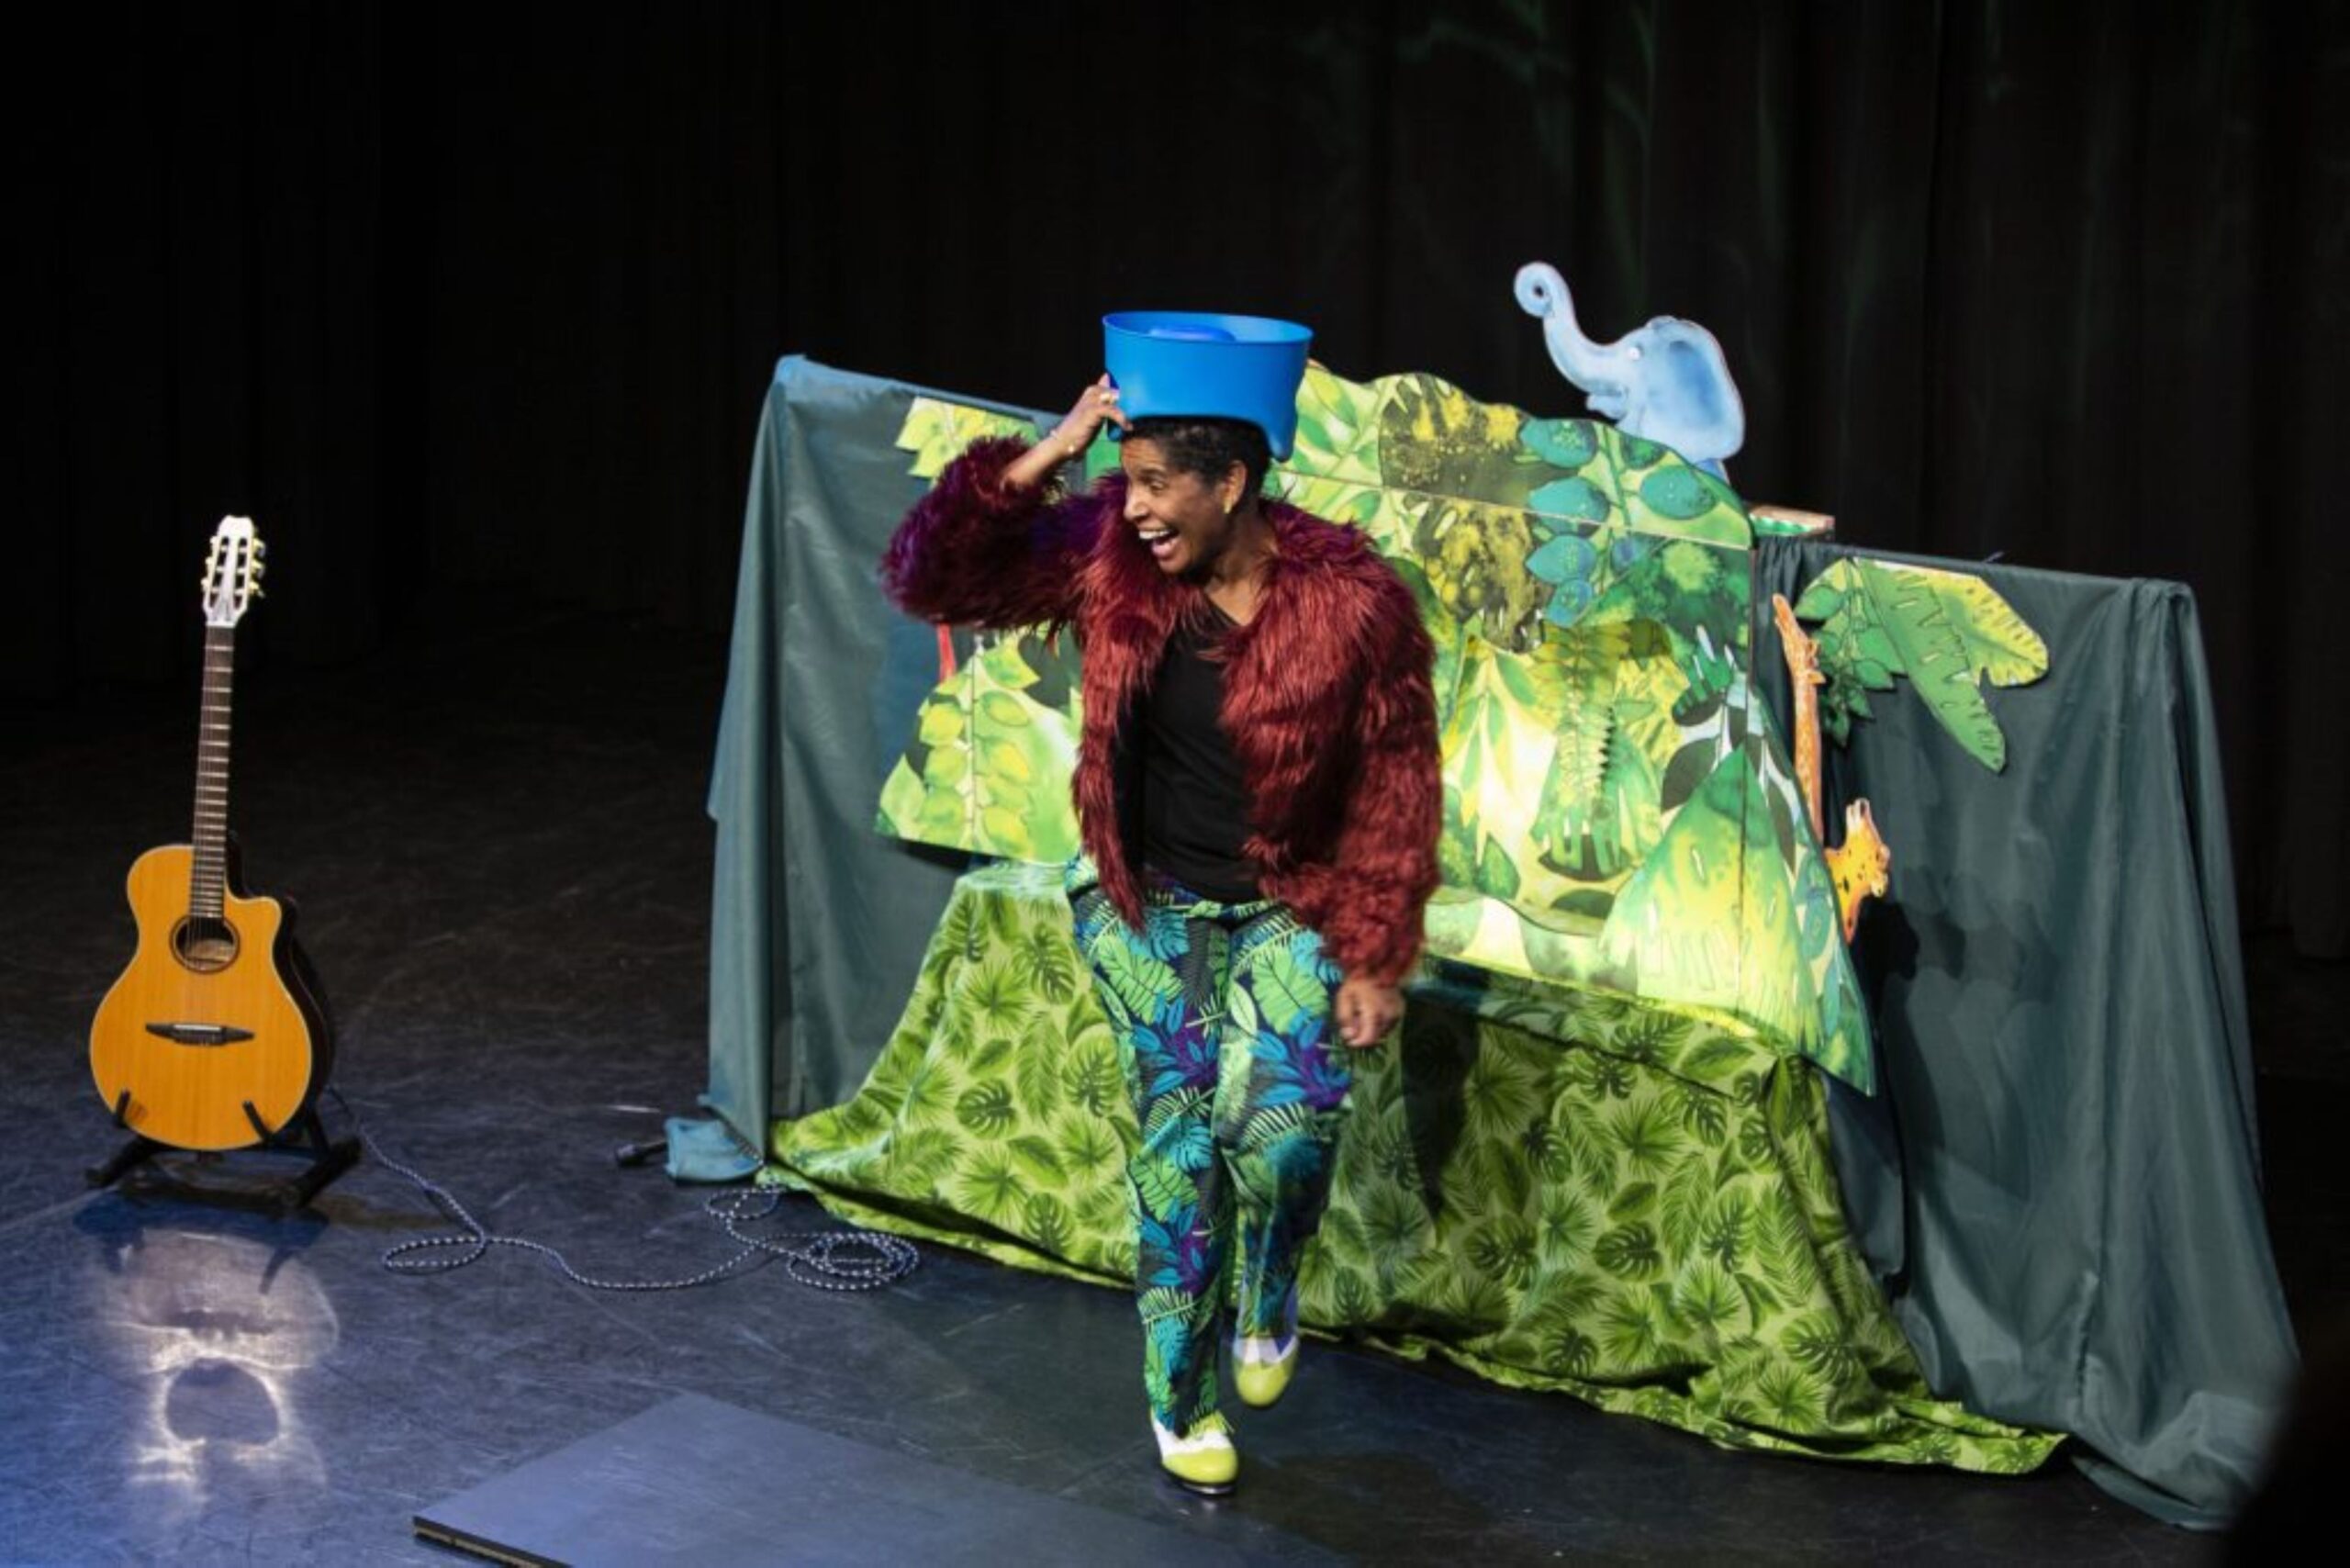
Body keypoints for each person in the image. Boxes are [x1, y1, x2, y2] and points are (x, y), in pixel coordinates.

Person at [879, 320, 1440, 1496]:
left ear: (1229, 482)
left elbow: (1398, 781)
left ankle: (1269, 1284)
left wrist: (1375, 954)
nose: (1130, 506)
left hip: (1288, 901)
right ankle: (1180, 1402)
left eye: (1151, 483)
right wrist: (1048, 454)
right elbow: (933, 577)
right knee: (1180, 1150)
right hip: (1148, 905)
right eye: (1121, 480)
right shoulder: (1109, 559)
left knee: (1284, 1135)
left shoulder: (1352, 602)